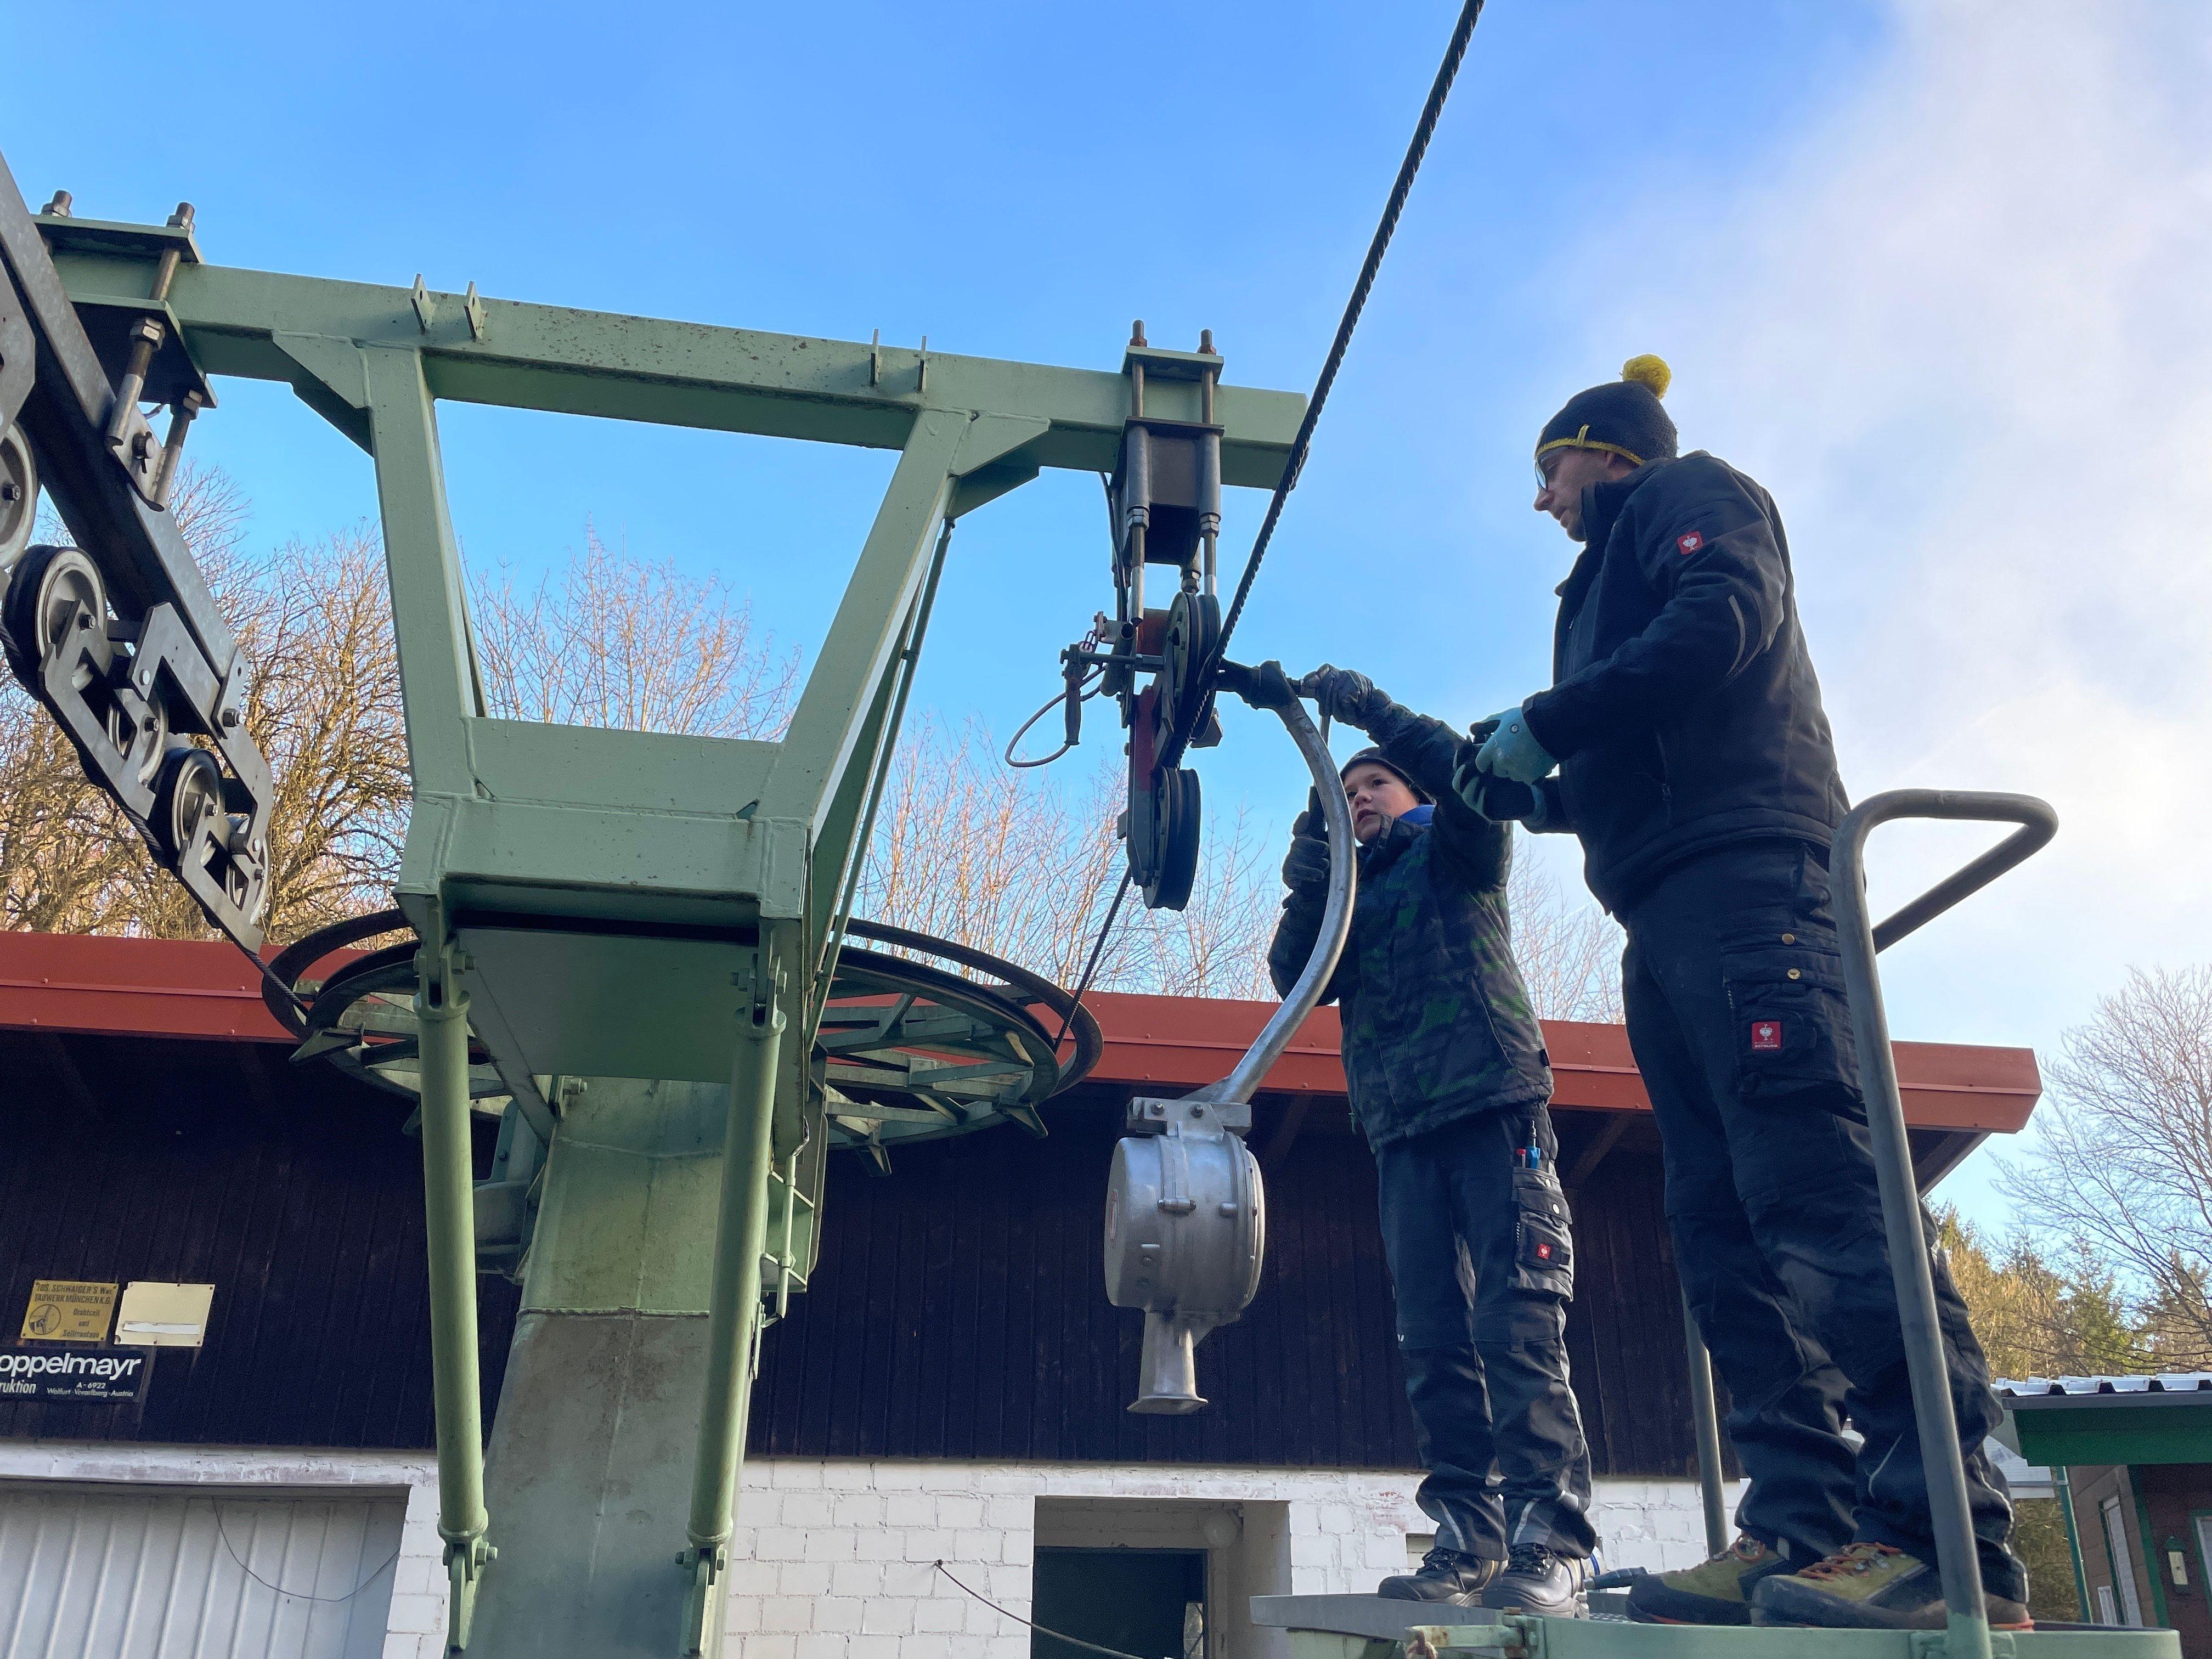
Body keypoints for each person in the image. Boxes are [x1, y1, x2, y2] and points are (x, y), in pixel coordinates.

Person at [1455, 356, 2026, 1631]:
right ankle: (1800, 1524)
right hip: (1664, 912)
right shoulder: (1599, 586)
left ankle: (1944, 1542)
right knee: (1720, 1228)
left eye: (1549, 469)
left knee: (1818, 1193)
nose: (1542, 500)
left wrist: (1551, 718)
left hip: (1754, 891)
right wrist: (1534, 788)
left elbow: (1719, 628)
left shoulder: (1690, 497)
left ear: (1603, 449)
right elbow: (1629, 744)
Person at [1265, 668, 1595, 1615]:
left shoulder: (1455, 850)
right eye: (1350, 789)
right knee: (1433, 1340)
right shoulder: (1344, 904)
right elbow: (1296, 976)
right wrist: (1317, 844)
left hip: (1494, 1112)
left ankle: (1553, 1536)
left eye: (1378, 785)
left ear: (1411, 794)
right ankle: (1466, 1538)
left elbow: (1468, 779)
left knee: (1517, 1320)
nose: (1363, 796)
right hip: (1402, 1134)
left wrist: (1367, 715)